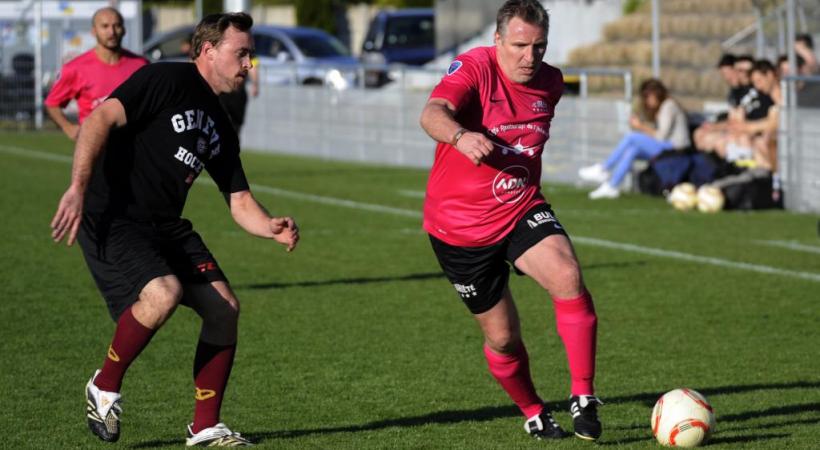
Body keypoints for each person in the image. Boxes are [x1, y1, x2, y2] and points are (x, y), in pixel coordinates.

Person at [49, 12, 299, 447]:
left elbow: (239, 201)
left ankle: (205, 428)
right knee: (163, 293)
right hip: (115, 214)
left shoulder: (220, 123)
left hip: (165, 223)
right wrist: (77, 187)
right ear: (208, 51)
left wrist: (270, 227)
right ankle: (104, 386)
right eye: (242, 54)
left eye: (251, 57)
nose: (248, 65)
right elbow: (99, 120)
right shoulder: (163, 79)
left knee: (224, 310)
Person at [419, 0, 601, 442]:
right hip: (458, 229)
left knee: (567, 275)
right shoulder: (475, 67)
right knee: (502, 338)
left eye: (539, 46)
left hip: (520, 207)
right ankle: (535, 411)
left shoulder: (551, 82)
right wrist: (461, 136)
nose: (529, 57)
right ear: (497, 40)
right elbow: (432, 113)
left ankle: (583, 396)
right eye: (519, 45)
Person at [44, 7, 148, 140]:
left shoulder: (141, 65)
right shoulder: (76, 68)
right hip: (96, 146)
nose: (112, 32)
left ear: (124, 30)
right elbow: (52, 103)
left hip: (136, 143)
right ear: (94, 31)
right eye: (105, 26)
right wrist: (68, 127)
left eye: (117, 26)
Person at [579, 78, 690, 199]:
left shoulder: (669, 106)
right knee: (632, 150)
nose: (646, 101)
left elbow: (661, 136)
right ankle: (612, 186)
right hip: (666, 147)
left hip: (675, 149)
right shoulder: (662, 107)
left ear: (657, 94)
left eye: (648, 97)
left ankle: (604, 169)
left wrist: (640, 126)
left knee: (632, 138)